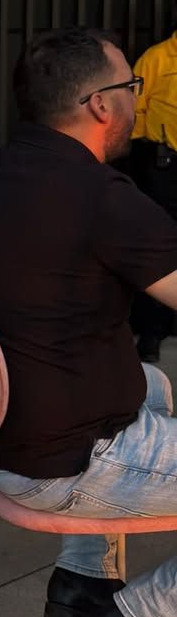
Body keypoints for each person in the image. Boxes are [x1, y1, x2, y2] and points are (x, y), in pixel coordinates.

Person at [0, 27, 177, 617]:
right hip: (63, 461)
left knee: (155, 384)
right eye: (131, 87)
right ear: (101, 104)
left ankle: (82, 578)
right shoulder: (101, 196)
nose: (136, 100)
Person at [130, 20, 177, 362]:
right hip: (166, 166)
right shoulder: (157, 58)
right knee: (159, 248)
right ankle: (151, 332)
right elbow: (134, 110)